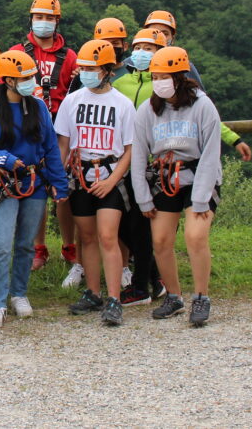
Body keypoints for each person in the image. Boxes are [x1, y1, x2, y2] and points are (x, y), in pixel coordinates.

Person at [0, 50, 69, 329]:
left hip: (35, 183)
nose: (29, 81)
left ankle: (19, 293)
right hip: (4, 185)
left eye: (31, 76)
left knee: (26, 243)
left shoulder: (38, 107)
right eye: (23, 77)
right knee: (2, 244)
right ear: (8, 80)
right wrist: (5, 159)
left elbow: (50, 147)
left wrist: (59, 184)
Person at [130, 46, 222, 327]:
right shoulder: (148, 110)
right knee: (160, 240)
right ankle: (174, 296)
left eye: (164, 76)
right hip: (164, 178)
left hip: (197, 177)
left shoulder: (202, 106)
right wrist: (143, 198)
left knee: (195, 236)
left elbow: (210, 153)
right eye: (155, 76)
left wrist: (203, 197)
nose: (159, 81)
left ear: (179, 77)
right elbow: (138, 153)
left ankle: (201, 297)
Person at [54, 40, 136, 326]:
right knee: (86, 237)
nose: (86, 73)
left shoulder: (123, 105)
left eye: (92, 68)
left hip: (109, 176)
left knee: (107, 236)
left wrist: (113, 180)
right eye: (83, 68)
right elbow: (63, 144)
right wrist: (58, 179)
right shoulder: (72, 100)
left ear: (106, 70)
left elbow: (130, 150)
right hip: (80, 176)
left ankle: (114, 298)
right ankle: (93, 292)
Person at [9, 0, 78, 272]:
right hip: (27, 126)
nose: (44, 22)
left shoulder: (70, 57)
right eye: (39, 17)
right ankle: (39, 247)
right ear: (31, 19)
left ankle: (69, 245)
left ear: (57, 21)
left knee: (63, 187)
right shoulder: (17, 51)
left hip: (60, 128)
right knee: (33, 186)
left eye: (49, 18)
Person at [143, 10, 252, 162]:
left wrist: (233, 139)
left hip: (175, 152)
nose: (159, 37)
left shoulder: (183, 69)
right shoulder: (130, 70)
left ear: (172, 38)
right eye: (153, 32)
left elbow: (204, 110)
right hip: (139, 152)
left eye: (165, 33)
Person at [112, 28, 170, 306]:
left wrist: (233, 139)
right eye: (139, 47)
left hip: (151, 166)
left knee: (140, 226)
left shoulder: (163, 87)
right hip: (123, 162)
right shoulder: (121, 83)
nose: (142, 53)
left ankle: (140, 286)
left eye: (150, 48)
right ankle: (155, 278)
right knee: (124, 225)